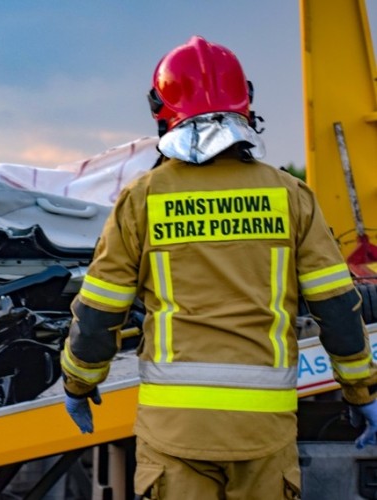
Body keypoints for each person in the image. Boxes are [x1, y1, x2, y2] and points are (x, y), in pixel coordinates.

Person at [60, 35, 377, 499]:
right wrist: (361, 393)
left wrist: (79, 382)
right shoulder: (289, 195)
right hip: (262, 431)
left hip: (176, 430)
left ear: (160, 108)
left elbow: (100, 310)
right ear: (245, 103)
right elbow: (336, 307)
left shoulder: (143, 198)